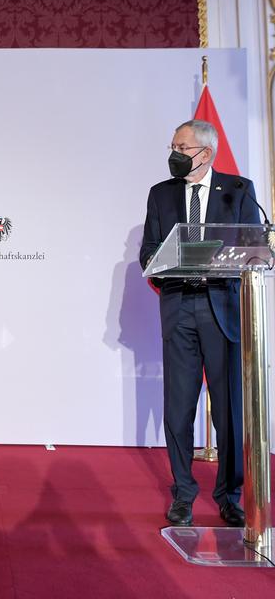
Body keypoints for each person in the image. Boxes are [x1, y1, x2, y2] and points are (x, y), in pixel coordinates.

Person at [139, 119, 260, 527]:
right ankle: (183, 494)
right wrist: (164, 265)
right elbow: (148, 253)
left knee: (227, 410)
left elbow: (253, 248)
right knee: (178, 407)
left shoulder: (239, 191)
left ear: (205, 154)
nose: (173, 153)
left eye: (182, 147)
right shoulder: (161, 194)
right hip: (179, 307)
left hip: (221, 308)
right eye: (172, 145)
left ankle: (229, 495)